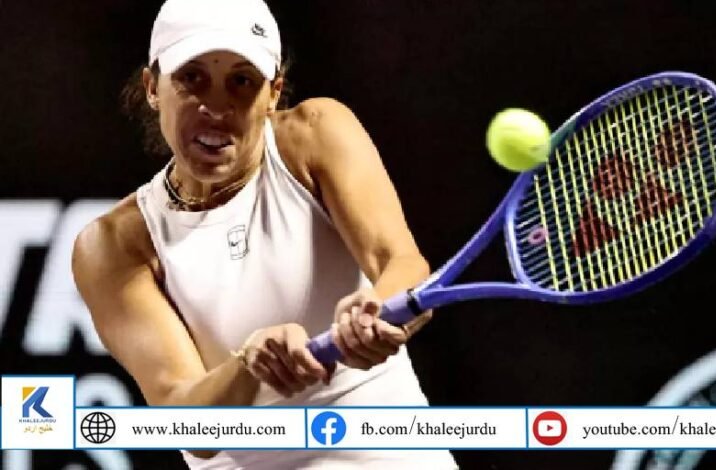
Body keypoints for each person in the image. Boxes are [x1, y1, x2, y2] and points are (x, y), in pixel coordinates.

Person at [72, 0, 458, 468]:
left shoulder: (315, 134)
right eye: (192, 77)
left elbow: (401, 263)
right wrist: (249, 363)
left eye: (242, 81)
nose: (217, 108)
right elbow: (184, 421)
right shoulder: (113, 245)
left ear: (273, 92)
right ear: (153, 87)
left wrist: (379, 310)